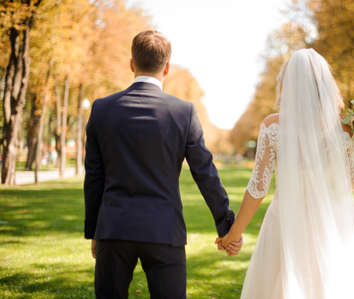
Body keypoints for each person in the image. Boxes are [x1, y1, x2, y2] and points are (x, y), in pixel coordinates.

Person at [84, 30, 238, 299]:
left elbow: (94, 176)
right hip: (164, 230)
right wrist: (226, 226)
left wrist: (95, 231)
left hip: (114, 228)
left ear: (132, 64)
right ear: (167, 67)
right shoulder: (184, 113)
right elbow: (205, 173)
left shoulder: (102, 109)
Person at [218, 49, 354, 299]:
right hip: (328, 226)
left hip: (284, 223)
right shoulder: (343, 130)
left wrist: (233, 235)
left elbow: (258, 188)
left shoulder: (273, 126)